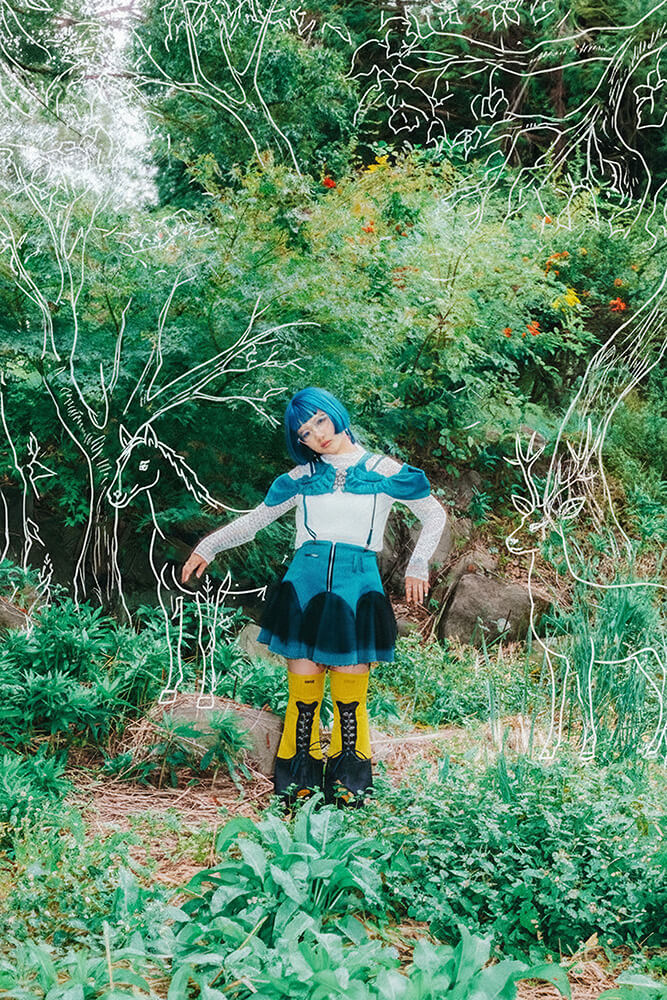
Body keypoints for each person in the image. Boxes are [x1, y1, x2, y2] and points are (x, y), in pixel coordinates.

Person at [182, 387, 447, 806]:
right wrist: (208, 546)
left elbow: (433, 513)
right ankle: (297, 781)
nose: (317, 435)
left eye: (320, 421)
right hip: (304, 589)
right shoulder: (301, 478)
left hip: (356, 589)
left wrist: (418, 564)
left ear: (335, 414)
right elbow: (254, 522)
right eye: (305, 432)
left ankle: (349, 783)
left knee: (349, 696)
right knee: (303, 696)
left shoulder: (381, 469)